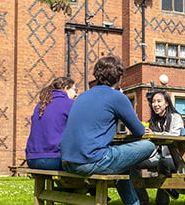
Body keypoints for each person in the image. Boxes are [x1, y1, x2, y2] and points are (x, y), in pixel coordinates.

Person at [60, 56, 156, 205]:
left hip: (67, 161)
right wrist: (122, 99)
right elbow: (138, 130)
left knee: (121, 165)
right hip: (90, 161)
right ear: (119, 77)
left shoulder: (83, 95)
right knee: (148, 146)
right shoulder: (117, 97)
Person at [133, 91, 183, 205]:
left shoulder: (175, 117)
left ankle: (163, 201)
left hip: (173, 157)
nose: (156, 104)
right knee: (133, 163)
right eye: (153, 102)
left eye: (159, 101)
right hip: (155, 156)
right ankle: (143, 199)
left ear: (166, 103)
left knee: (164, 163)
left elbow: (177, 134)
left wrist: (155, 134)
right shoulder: (152, 121)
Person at [25, 77, 77, 170]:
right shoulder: (69, 104)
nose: (76, 93)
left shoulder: (40, 105)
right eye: (74, 89)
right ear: (66, 88)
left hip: (32, 159)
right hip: (53, 159)